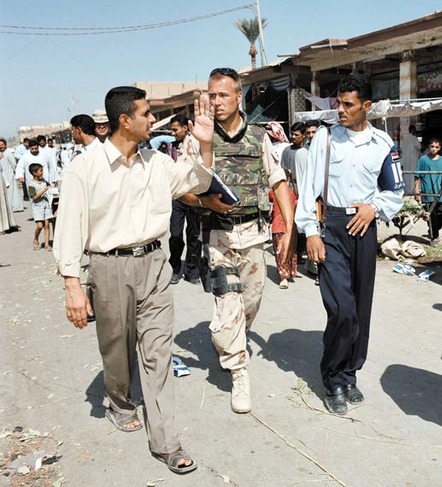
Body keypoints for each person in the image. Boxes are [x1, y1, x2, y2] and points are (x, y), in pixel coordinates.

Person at [53, 86, 215, 475]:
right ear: (124, 120)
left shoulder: (157, 162)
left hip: (154, 265)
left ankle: (166, 441)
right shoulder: (85, 167)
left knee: (158, 352)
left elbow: (197, 182)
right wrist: (73, 285)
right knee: (116, 347)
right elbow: (69, 229)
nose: (151, 121)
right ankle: (121, 401)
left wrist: (205, 145)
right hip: (107, 268)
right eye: (145, 114)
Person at [180, 67, 294, 414]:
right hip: (217, 236)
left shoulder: (259, 136)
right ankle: (238, 371)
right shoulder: (198, 136)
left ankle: (230, 338)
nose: (216, 102)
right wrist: (204, 201)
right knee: (228, 305)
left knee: (251, 303)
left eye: (223, 95)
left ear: (238, 96)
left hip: (254, 235)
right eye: (211, 95)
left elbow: (278, 183)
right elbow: (182, 188)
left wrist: (289, 230)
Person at [295, 73, 404, 415]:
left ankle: (349, 373)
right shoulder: (325, 140)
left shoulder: (384, 144)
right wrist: (310, 232)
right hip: (332, 227)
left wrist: (374, 208)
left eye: (347, 104)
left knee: (360, 308)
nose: (339, 110)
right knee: (341, 308)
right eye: (337, 103)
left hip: (364, 228)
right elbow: (308, 188)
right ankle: (331, 377)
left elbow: (395, 191)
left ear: (366, 106)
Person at [168, 113, 201, 285]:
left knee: (194, 235)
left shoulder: (197, 144)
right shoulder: (170, 148)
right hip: (177, 197)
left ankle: (192, 270)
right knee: (175, 235)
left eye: (175, 130)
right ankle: (174, 267)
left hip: (194, 195)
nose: (173, 133)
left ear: (185, 128)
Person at [414, 137, 442, 245]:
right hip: (427, 192)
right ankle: (434, 237)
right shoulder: (423, 160)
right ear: (428, 147)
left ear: (439, 148)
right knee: (431, 215)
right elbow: (417, 176)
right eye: (432, 146)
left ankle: (436, 228)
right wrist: (416, 191)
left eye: (436, 147)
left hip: (440, 192)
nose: (434, 149)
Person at [270, 169, 298, 289]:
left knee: (279, 252)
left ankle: (284, 277)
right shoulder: (292, 193)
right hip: (290, 225)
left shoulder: (273, 192)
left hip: (277, 225)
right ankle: (291, 272)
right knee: (291, 250)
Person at [27, 163, 53, 250]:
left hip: (45, 204)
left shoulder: (44, 181)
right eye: (40, 171)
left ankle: (47, 244)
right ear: (34, 173)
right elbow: (34, 197)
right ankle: (35, 239)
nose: (42, 172)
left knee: (46, 224)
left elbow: (50, 186)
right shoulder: (31, 185)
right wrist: (45, 189)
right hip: (37, 206)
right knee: (39, 226)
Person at [280, 121, 306, 191]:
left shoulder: (309, 151)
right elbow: (284, 171)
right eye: (292, 134)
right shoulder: (287, 150)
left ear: (304, 135)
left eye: (296, 135)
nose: (293, 137)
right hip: (292, 186)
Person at [0, 138, 23, 213]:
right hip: (3, 175)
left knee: (11, 191)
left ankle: (14, 207)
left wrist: (12, 172)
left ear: (5, 145)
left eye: (2, 145)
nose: (1, 146)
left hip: (9, 174)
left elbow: (13, 164)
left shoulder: (8, 153)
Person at [402, 124, 422, 190]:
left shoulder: (405, 139)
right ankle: (413, 189)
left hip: (406, 159)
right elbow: (419, 147)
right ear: (414, 131)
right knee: (413, 174)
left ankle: (407, 189)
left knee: (407, 175)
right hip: (413, 159)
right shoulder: (414, 138)